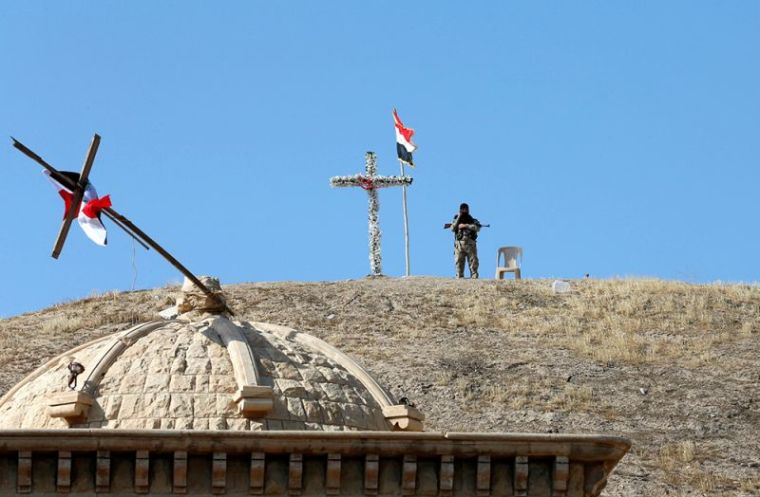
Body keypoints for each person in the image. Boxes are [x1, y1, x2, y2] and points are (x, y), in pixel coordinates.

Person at [451, 203, 480, 278]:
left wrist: (466, 226)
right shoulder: (456, 219)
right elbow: (452, 228)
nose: (464, 211)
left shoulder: (472, 219)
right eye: (462, 210)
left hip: (470, 245)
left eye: (466, 210)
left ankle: (474, 277)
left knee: (473, 263)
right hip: (459, 245)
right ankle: (459, 278)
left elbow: (477, 227)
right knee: (459, 264)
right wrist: (458, 218)